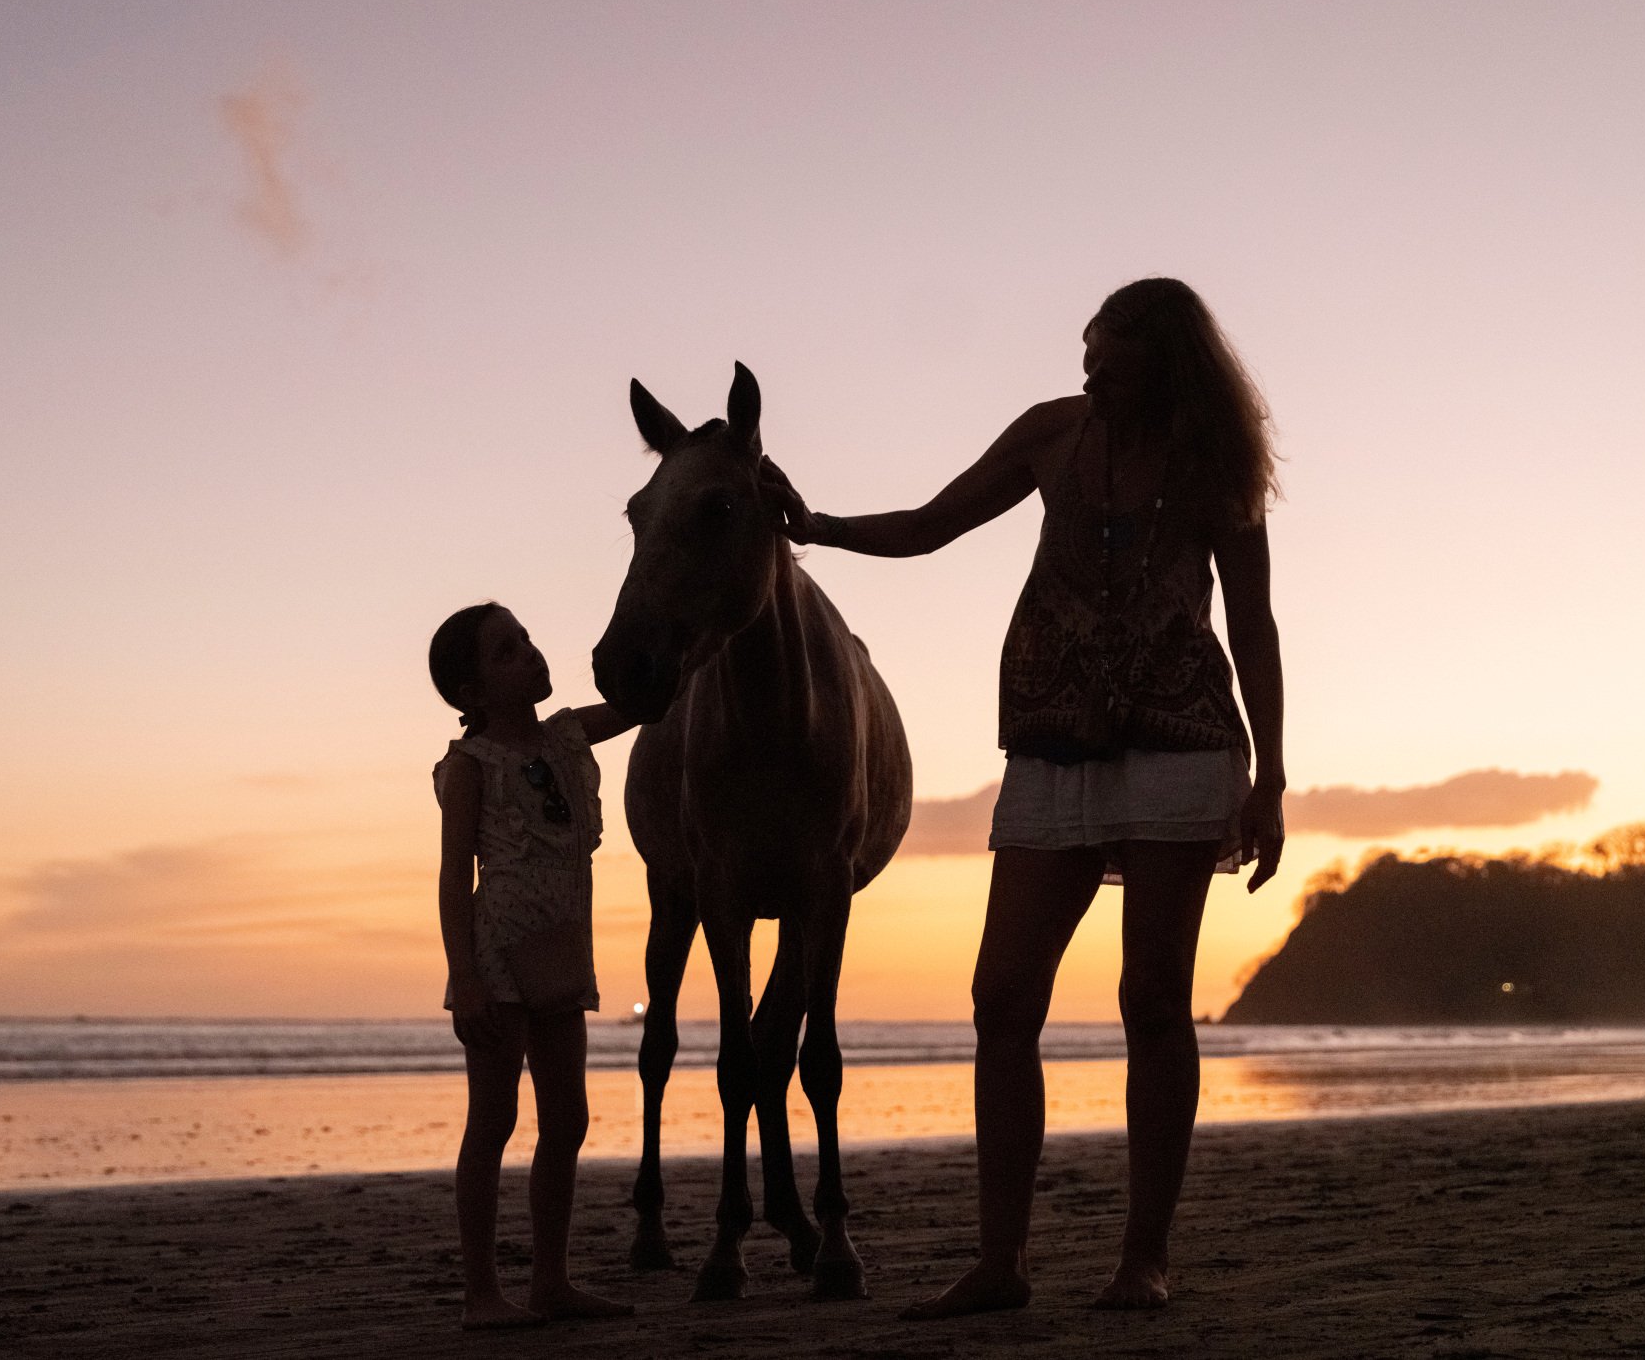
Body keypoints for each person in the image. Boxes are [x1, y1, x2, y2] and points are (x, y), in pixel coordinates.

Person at [760, 277, 1287, 1316]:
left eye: (1112, 359)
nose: (1090, 373)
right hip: (1053, 737)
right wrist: (814, 524)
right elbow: (928, 524)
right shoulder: (1050, 435)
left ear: (1166, 363)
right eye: (1085, 354)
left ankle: (1144, 1259)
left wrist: (1269, 777)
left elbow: (1254, 625)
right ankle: (999, 1263)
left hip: (1178, 740)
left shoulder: (1212, 461)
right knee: (1000, 997)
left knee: (1150, 1000)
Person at [430, 601, 638, 1329]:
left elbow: (645, 700)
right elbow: (456, 879)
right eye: (507, 651)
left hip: (561, 954)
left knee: (568, 1116)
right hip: (496, 957)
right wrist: (465, 976)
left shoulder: (570, 735)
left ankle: (552, 1280)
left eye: (526, 640)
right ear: (472, 693)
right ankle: (482, 1293)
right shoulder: (470, 767)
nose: (530, 654)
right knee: (493, 1120)